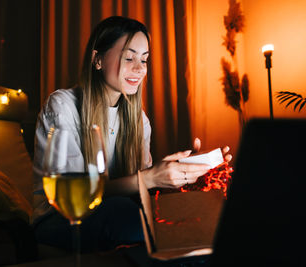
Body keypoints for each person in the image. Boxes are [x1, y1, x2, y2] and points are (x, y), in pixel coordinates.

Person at [32, 16, 231, 252]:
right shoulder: (63, 106)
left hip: (115, 212)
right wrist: (147, 178)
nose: (140, 68)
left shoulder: (139, 120)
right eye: (129, 57)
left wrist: (184, 174)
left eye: (144, 60)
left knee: (203, 213)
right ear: (97, 60)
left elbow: (142, 190)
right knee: (123, 212)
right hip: (57, 220)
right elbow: (72, 193)